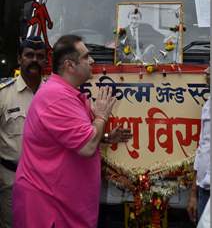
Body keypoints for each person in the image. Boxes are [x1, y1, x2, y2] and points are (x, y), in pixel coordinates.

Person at [12, 35, 132, 228]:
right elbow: (86, 146)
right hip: (49, 208)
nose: (92, 61)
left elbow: (68, 139)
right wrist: (101, 116)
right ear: (70, 65)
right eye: (86, 57)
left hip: (63, 203)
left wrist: (106, 137)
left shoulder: (65, 93)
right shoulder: (57, 97)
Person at [0, 36, 46, 228]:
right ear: (19, 59)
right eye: (29, 55)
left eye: (40, 56)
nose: (34, 60)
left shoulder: (55, 93)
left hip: (47, 184)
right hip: (12, 181)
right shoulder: (4, 94)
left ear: (46, 60)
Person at [187, 68, 210, 224]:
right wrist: (194, 193)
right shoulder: (208, 104)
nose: (206, 71)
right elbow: (204, 148)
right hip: (205, 189)